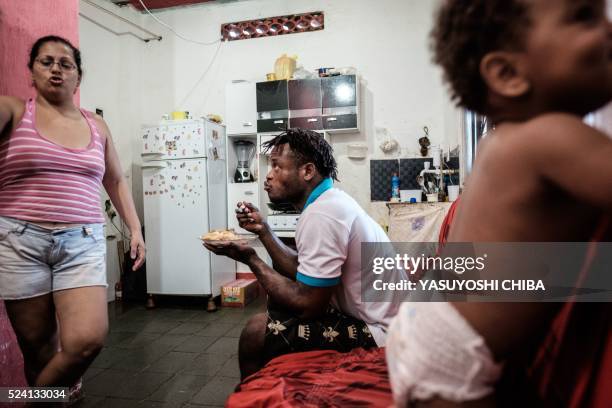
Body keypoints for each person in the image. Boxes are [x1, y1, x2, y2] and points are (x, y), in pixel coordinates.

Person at [386, 0, 612, 406]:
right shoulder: (550, 135)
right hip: (452, 350)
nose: (607, 27)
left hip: (430, 324)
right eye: (584, 16)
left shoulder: (499, 141)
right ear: (507, 74)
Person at [0, 35, 145, 391]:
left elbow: (115, 180)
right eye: (45, 62)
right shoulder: (13, 110)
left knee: (86, 341)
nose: (55, 70)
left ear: (78, 77)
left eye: (66, 64)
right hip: (20, 242)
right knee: (37, 350)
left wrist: (136, 230)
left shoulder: (96, 124)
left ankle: (32, 401)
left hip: (81, 242)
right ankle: (52, 399)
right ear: (31, 71)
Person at [205, 128, 405, 379]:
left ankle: (258, 396)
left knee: (255, 332)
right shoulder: (330, 202)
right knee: (276, 304)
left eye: (277, 167)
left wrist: (251, 259)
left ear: (307, 171)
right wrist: (263, 231)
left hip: (384, 333)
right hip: (389, 319)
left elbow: (309, 305)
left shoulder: (322, 214)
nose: (268, 176)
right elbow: (304, 269)